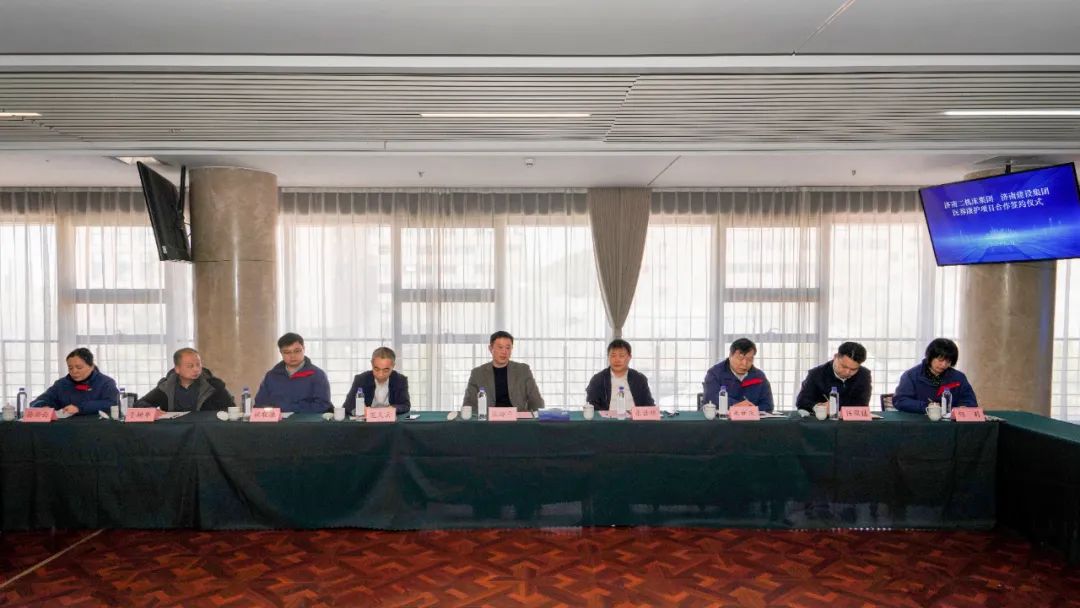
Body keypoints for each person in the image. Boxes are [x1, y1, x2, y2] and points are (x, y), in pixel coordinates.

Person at [462, 331, 544, 412]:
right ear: (490, 349)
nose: (504, 352)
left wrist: (535, 416)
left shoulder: (523, 370)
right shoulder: (477, 373)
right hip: (488, 418)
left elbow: (536, 400)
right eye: (500, 347)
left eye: (508, 348)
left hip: (517, 418)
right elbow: (469, 403)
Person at [893, 338, 977, 413]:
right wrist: (927, 406)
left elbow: (971, 402)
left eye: (948, 362)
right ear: (930, 357)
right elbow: (900, 401)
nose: (944, 365)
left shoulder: (959, 377)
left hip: (950, 422)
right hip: (920, 422)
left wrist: (964, 407)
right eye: (940, 360)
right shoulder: (911, 376)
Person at [254, 332, 333, 413]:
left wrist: (287, 408)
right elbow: (260, 404)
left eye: (297, 351)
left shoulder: (317, 375)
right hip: (277, 421)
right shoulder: (271, 376)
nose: (292, 356)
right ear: (281, 353)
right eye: (287, 352)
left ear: (304, 349)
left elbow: (322, 405)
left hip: (307, 420)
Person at [137, 347, 234, 412]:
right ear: (177, 369)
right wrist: (154, 411)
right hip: (174, 431)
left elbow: (231, 408)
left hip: (204, 431)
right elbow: (140, 404)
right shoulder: (166, 386)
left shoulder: (213, 386)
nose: (196, 369)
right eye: (190, 366)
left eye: (198, 365)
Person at [30, 347, 119, 416]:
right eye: (70, 368)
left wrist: (79, 408)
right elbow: (37, 402)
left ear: (91, 366)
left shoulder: (106, 383)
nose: (74, 371)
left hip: (97, 428)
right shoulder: (61, 384)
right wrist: (42, 406)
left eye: (79, 367)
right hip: (66, 429)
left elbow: (112, 403)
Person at [795, 342, 872, 412]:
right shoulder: (816, 374)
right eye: (844, 366)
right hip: (822, 420)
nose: (847, 372)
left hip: (852, 421)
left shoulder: (864, 375)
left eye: (853, 369)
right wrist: (817, 407)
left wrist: (836, 407)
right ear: (835, 357)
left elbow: (862, 404)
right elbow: (801, 402)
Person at [702, 338, 774, 412]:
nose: (744, 364)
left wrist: (750, 410)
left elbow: (768, 405)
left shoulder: (759, 376)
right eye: (740, 359)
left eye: (749, 359)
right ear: (730, 356)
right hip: (722, 418)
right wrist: (737, 405)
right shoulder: (715, 373)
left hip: (751, 418)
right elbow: (711, 398)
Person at [585, 339, 654, 410]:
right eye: (613, 355)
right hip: (607, 417)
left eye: (621, 356)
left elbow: (649, 405)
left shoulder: (639, 379)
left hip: (634, 417)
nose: (617, 360)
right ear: (608, 357)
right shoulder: (598, 379)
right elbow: (591, 405)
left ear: (629, 357)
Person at [342, 346, 411, 415]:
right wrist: (360, 409)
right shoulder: (361, 379)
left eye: (386, 370)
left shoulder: (400, 380)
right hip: (367, 419)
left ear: (393, 366)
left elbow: (405, 405)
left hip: (389, 418)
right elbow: (347, 405)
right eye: (376, 369)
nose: (380, 374)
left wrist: (394, 408)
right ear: (372, 364)